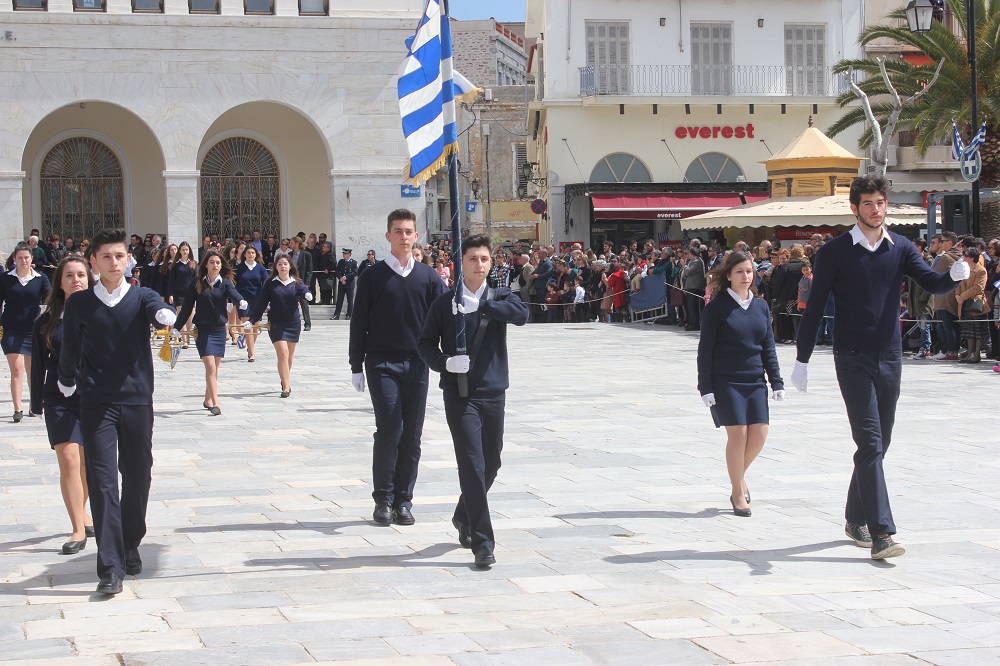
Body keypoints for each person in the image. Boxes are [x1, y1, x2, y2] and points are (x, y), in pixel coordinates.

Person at [792, 176, 970, 560]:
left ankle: (855, 517)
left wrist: (952, 279)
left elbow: (932, 283)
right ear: (854, 208)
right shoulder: (835, 252)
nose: (876, 209)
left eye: (880, 202)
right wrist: (802, 359)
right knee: (870, 442)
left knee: (879, 444)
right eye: (868, 203)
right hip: (851, 358)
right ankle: (882, 534)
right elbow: (815, 306)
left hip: (891, 356)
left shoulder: (900, 246)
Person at [57, 227, 179, 595]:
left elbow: (158, 309)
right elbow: (70, 348)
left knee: (138, 474)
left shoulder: (142, 296)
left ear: (129, 259)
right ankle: (110, 565)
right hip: (97, 403)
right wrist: (66, 380)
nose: (114, 262)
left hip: (137, 400)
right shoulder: (79, 303)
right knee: (103, 481)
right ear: (94, 262)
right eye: (106, 257)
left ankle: (129, 542)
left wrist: (164, 315)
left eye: (119, 256)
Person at [417, 234, 529, 568]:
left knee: (491, 463)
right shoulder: (444, 303)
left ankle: (464, 513)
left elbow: (521, 314)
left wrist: (482, 306)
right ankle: (483, 542)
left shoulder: (500, 296)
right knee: (472, 464)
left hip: (492, 392)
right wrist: (445, 363)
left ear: (491, 263)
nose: (479, 265)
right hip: (460, 394)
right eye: (472, 259)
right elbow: (425, 344)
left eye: (484, 259)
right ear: (460, 263)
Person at [349, 209, 445, 526]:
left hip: (418, 364)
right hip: (382, 363)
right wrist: (356, 364)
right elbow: (359, 323)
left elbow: (444, 318)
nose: (404, 237)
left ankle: (404, 501)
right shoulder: (372, 276)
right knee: (390, 429)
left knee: (412, 436)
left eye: (408, 231)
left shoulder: (428, 278)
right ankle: (384, 500)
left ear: (416, 236)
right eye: (398, 231)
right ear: (388, 235)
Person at [697, 251, 783, 517]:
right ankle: (737, 491)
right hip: (726, 381)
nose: (745, 276)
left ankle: (739, 478)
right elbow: (705, 350)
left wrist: (776, 380)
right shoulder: (716, 308)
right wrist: (705, 387)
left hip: (755, 380)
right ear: (729, 275)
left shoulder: (761, 306)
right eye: (739, 272)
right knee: (739, 434)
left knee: (759, 434)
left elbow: (768, 347)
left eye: (749, 271)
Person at [30, 256, 95, 554]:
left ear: (89, 279)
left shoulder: (102, 315)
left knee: (86, 464)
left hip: (93, 397)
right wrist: (36, 403)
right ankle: (77, 529)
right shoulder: (45, 322)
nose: (76, 280)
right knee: (69, 460)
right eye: (69, 275)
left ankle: (82, 511)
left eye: (81, 274)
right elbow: (38, 365)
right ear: (60, 283)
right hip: (58, 398)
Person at [174, 250, 247, 414]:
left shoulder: (225, 283)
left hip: (219, 330)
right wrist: (177, 327)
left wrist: (241, 301)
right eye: (212, 262)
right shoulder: (197, 283)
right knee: (211, 367)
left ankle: (207, 399)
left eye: (218, 263)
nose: (215, 265)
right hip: (203, 330)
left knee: (214, 369)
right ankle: (215, 403)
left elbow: (234, 294)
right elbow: (186, 308)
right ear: (206, 265)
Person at [245, 254, 312, 398]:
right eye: (280, 264)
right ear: (276, 266)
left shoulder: (296, 282)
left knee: (289, 355)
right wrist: (252, 319)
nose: (283, 267)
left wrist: (307, 294)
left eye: (285, 264)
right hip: (276, 324)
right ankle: (286, 387)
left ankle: (284, 378)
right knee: (283, 353)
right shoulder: (270, 283)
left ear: (290, 266)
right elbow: (261, 303)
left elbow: (303, 290)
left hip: (293, 324)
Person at [2, 242, 52, 422]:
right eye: (20, 258)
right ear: (14, 259)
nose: (23, 261)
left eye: (26, 258)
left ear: (32, 259)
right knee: (17, 369)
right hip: (11, 329)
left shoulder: (41, 278)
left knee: (33, 370)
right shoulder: (5, 278)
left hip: (33, 330)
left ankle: (34, 405)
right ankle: (17, 409)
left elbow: (50, 300)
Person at [956, 247, 991, 364]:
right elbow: (959, 284)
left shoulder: (981, 270)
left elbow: (978, 287)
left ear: (971, 258)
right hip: (965, 304)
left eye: (965, 255)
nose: (963, 257)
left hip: (976, 304)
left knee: (978, 331)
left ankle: (976, 354)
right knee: (968, 332)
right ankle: (969, 353)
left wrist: (963, 296)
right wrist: (957, 295)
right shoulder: (964, 269)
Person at [168, 241, 197, 347]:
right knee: (182, 316)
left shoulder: (193, 263)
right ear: (180, 251)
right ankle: (184, 340)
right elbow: (171, 281)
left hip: (191, 293)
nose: (185, 251)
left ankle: (187, 335)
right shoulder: (175, 265)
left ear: (189, 251)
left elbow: (196, 279)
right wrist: (170, 294)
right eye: (183, 250)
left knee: (190, 317)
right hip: (179, 294)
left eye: (186, 249)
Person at [289, 236, 313, 332]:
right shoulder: (289, 255)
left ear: (297, 243)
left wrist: (307, 283)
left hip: (301, 281)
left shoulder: (306, 255)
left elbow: (309, 270)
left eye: (291, 243)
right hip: (291, 281)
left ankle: (307, 323)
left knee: (304, 303)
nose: (290, 244)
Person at [332, 248, 358, 320]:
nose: (344, 255)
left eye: (346, 254)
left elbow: (355, 272)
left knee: (350, 300)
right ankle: (336, 315)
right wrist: (340, 278)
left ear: (349, 255)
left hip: (349, 284)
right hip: (342, 284)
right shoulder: (341, 262)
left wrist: (346, 277)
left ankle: (349, 314)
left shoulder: (354, 262)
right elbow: (337, 271)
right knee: (339, 300)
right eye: (343, 254)